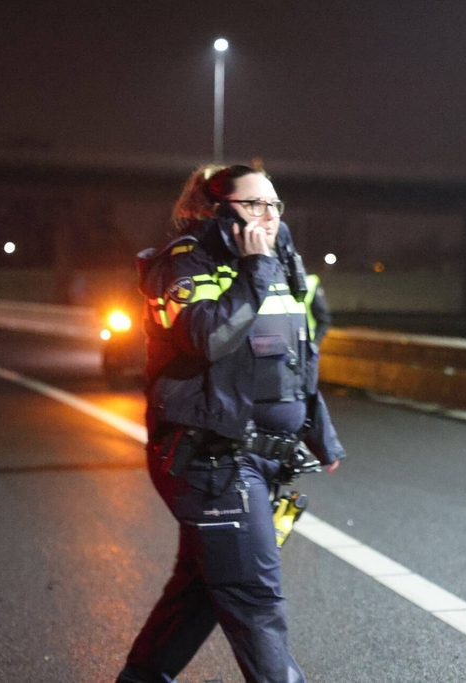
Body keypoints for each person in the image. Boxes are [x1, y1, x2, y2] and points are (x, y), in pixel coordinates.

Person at [115, 164, 347, 683]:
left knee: (201, 587)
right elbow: (209, 338)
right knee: (254, 598)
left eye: (275, 205)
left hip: (261, 455)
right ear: (216, 210)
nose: (269, 215)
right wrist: (255, 269)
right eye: (254, 204)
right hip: (210, 456)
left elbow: (295, 355)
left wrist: (318, 432)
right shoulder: (184, 262)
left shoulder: (281, 256)